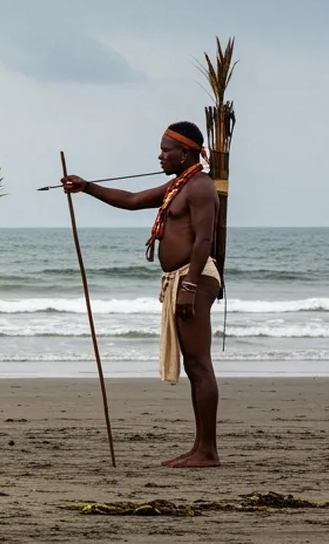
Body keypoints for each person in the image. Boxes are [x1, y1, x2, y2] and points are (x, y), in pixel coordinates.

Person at [62, 121, 221, 468]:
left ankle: (208, 451)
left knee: (199, 365)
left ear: (187, 152)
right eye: (161, 149)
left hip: (193, 280)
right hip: (179, 280)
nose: (160, 155)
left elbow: (204, 241)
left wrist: (190, 287)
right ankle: (200, 447)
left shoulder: (201, 187)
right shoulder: (178, 186)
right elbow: (132, 200)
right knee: (195, 368)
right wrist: (86, 187)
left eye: (166, 150)